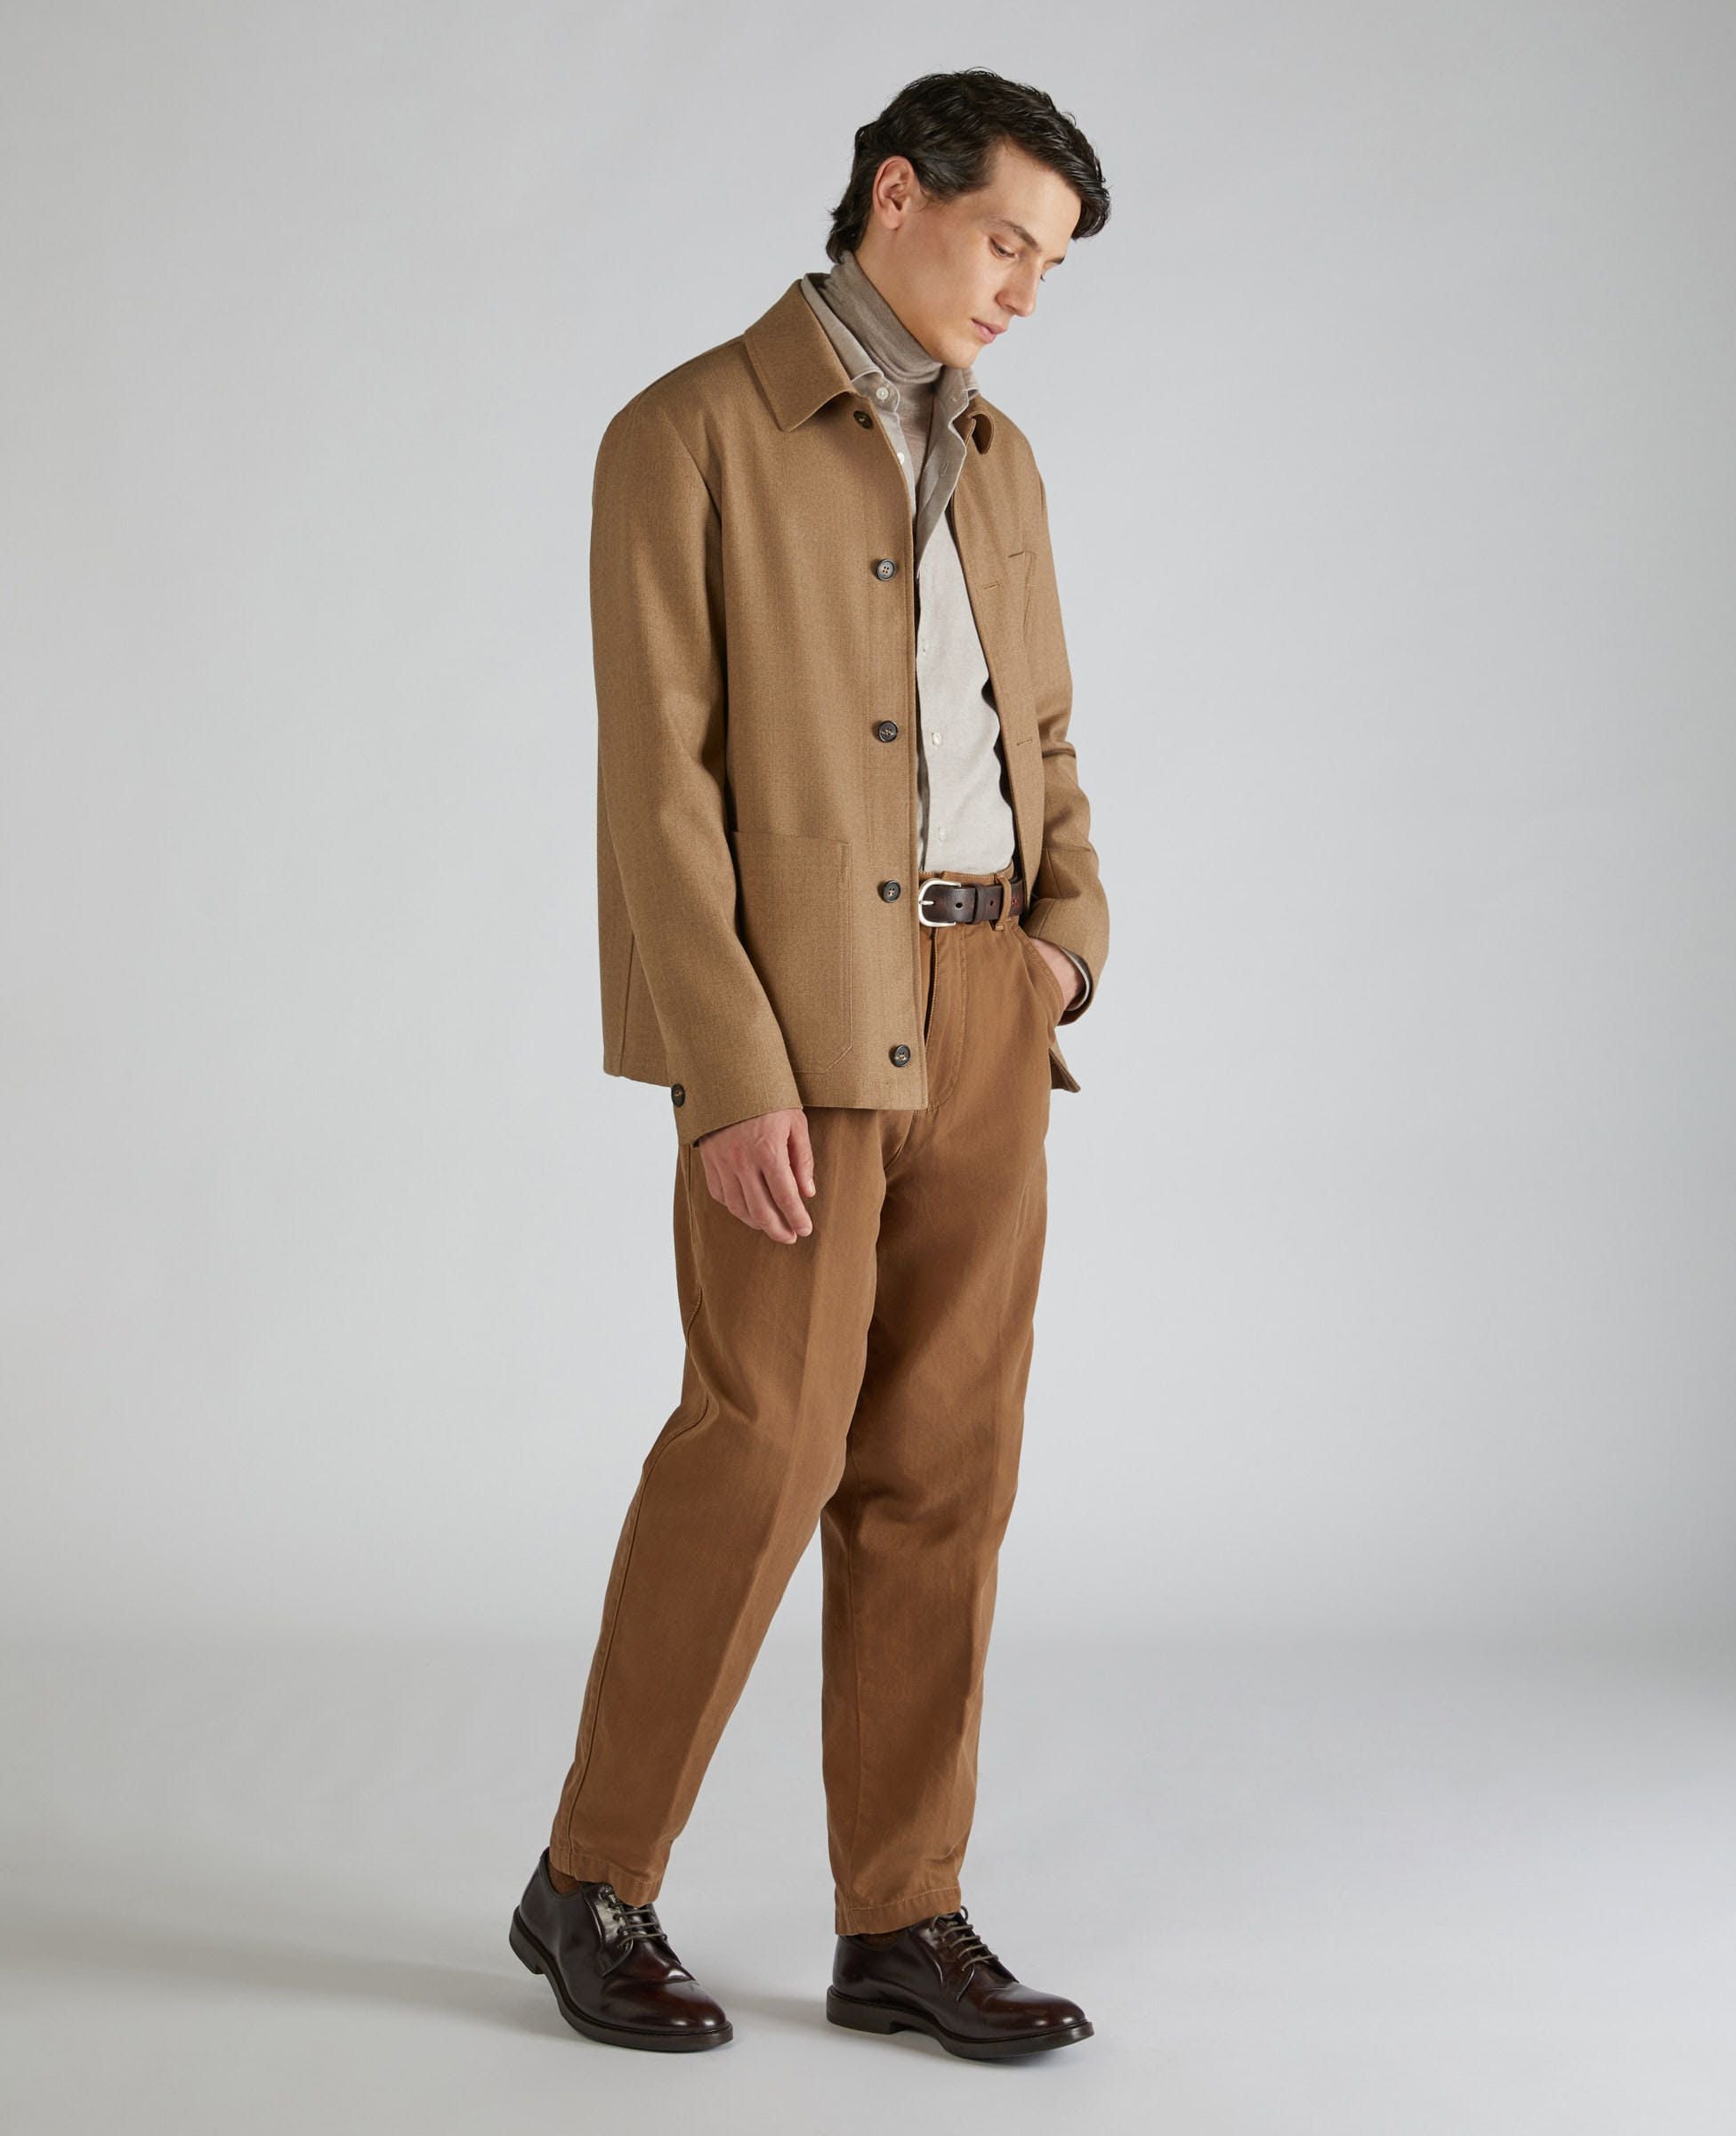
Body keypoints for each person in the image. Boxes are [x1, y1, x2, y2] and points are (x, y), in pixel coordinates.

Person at [508, 68, 1112, 2060]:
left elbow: (1044, 736)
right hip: (799, 1021)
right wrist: (727, 1070)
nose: (1024, 291)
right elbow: (657, 791)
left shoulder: (1003, 459)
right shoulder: (687, 432)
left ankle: (902, 1917)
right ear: (895, 197)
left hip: (988, 1010)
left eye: (1052, 263)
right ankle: (590, 1881)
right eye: (1008, 240)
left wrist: (1065, 943)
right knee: (761, 1443)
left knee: (946, 1465)